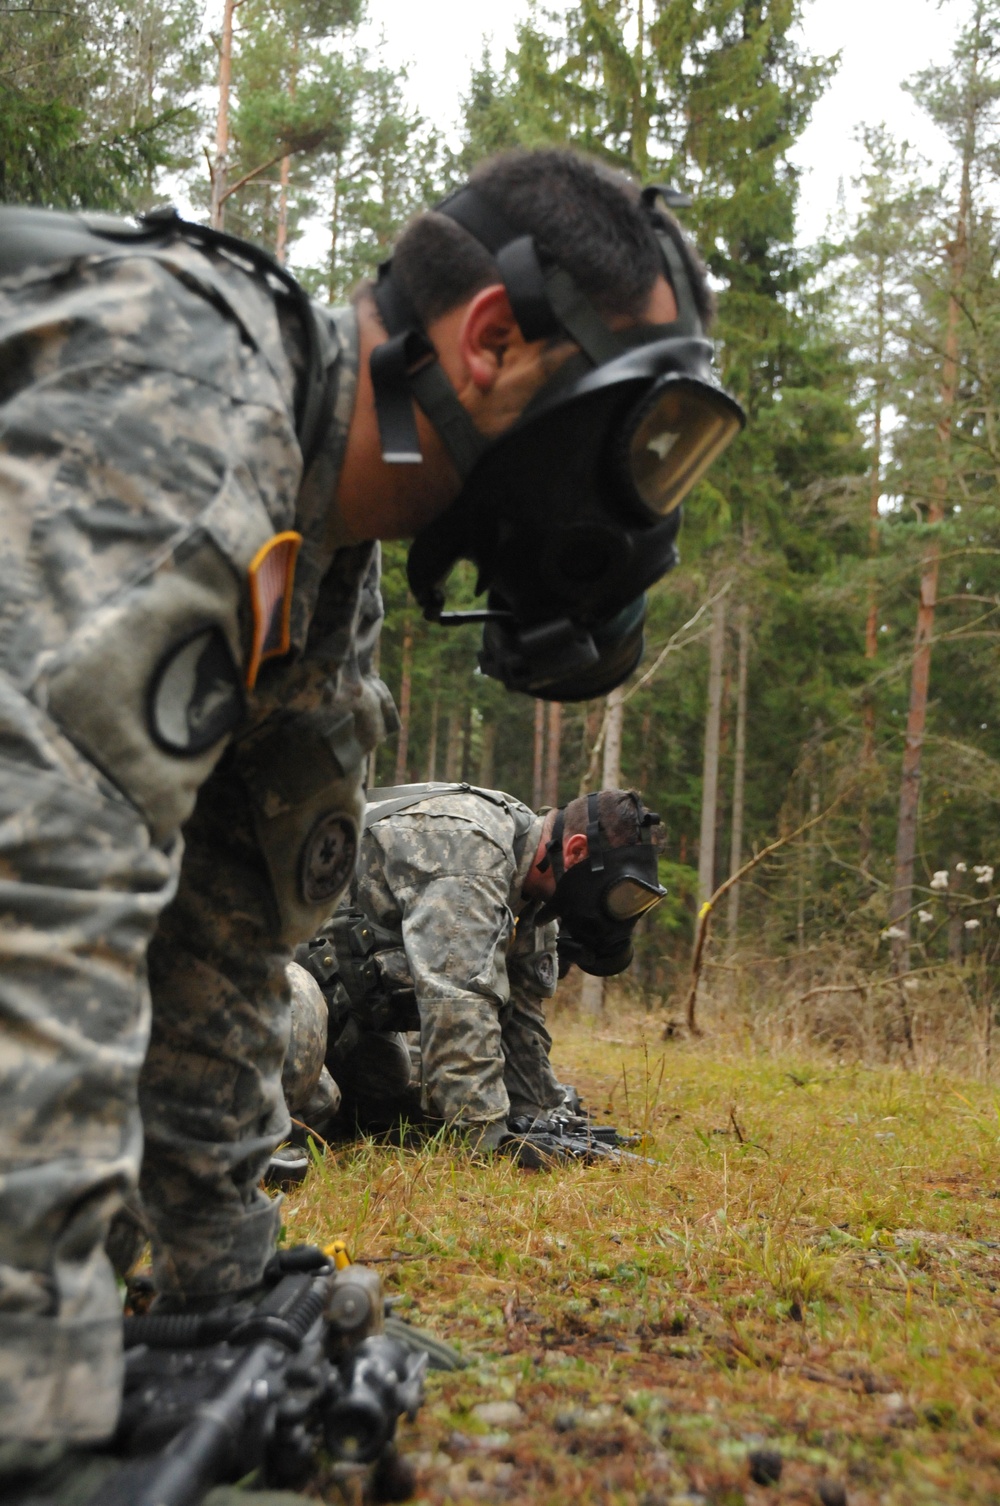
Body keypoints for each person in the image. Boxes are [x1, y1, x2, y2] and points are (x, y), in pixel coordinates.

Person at [0, 147, 737, 1482]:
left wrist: (219, 1282)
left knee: (271, 992)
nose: (632, 505)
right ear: (491, 342)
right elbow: (38, 906)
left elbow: (221, 935)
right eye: (629, 439)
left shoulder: (329, 574)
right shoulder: (189, 416)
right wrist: (37, 1389)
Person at [290, 784, 665, 1152]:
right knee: (308, 1067)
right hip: (262, 978)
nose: (620, 911)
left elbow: (521, 1022)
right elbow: (457, 1006)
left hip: (338, 1013)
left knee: (385, 1085)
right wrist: (488, 1135)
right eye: (621, 895)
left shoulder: (531, 896)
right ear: (576, 850)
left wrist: (546, 1120)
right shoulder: (474, 853)